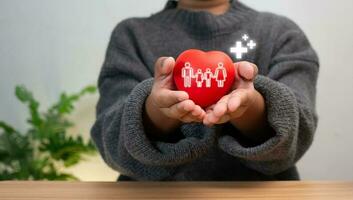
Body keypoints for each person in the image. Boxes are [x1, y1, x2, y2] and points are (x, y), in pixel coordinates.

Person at [91, 0, 319, 181]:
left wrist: (250, 110)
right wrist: (157, 112)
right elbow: (110, 140)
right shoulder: (131, 36)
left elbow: (299, 133)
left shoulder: (281, 34)